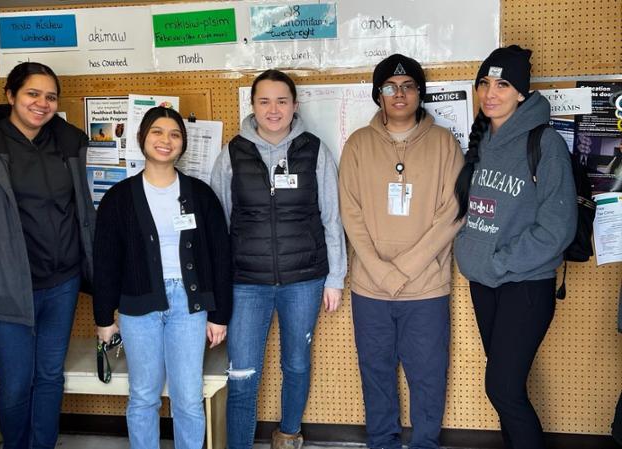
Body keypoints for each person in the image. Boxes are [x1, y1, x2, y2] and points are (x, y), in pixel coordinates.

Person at [0, 62, 95, 449]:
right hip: (5, 285)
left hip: (61, 283)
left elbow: (81, 210)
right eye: (32, 94)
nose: (42, 104)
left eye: (50, 96)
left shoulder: (68, 143)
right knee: (15, 383)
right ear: (10, 95)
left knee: (48, 377)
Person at [210, 69, 346, 449]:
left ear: (295, 105)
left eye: (282, 100)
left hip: (303, 281)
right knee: (243, 375)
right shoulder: (232, 153)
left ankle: (288, 435)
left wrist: (335, 277)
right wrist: (216, 288)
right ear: (252, 106)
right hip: (245, 284)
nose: (274, 109)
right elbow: (217, 225)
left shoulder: (314, 151)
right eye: (264, 101)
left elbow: (332, 218)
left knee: (297, 365)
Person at [453, 45, 577, 449]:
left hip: (525, 285)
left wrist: (497, 261)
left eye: (503, 84)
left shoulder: (546, 144)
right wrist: (469, 251)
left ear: (522, 92)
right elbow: (473, 211)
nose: (491, 92)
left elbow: (557, 229)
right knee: (505, 393)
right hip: (484, 283)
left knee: (503, 390)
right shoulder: (481, 141)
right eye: (485, 83)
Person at [339, 54, 463, 449]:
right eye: (389, 87)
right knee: (375, 373)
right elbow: (350, 213)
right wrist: (380, 271)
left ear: (419, 93)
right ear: (378, 95)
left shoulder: (445, 144)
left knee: (427, 376)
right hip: (370, 289)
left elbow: (452, 215)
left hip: (425, 289)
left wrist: (402, 269)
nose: (399, 94)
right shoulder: (358, 144)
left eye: (407, 86)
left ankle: (425, 443)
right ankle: (383, 444)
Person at [93, 106, 231, 449]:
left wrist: (219, 315)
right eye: (157, 132)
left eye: (174, 134)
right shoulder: (119, 198)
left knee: (187, 397)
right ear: (141, 139)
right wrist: (103, 318)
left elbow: (220, 257)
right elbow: (106, 261)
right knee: (143, 396)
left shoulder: (200, 195)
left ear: (182, 144)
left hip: (190, 305)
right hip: (138, 306)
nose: (165, 141)